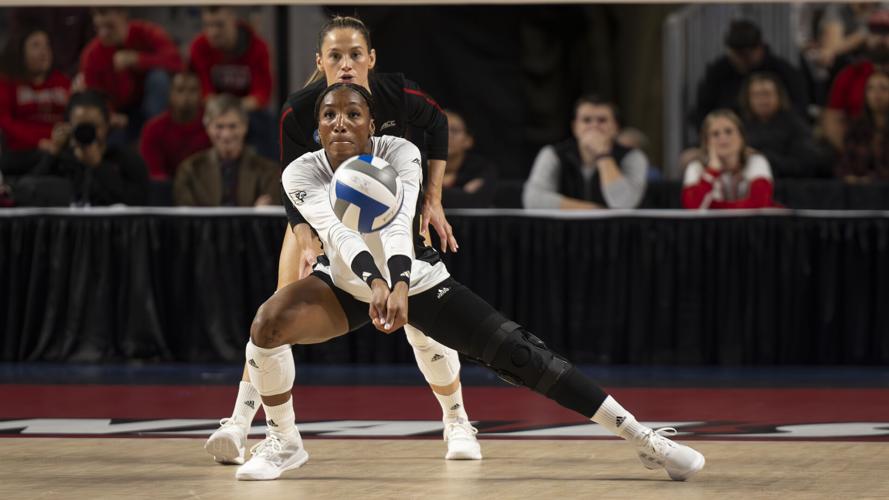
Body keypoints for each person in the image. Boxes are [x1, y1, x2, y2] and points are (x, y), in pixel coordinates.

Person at [232, 82, 706, 481]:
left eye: (353, 113)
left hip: (416, 279)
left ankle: (642, 437)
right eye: (329, 115)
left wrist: (395, 285)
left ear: (372, 125)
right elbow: (335, 232)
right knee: (268, 322)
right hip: (347, 283)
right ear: (317, 128)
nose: (340, 123)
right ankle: (283, 440)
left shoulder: (401, 152)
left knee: (524, 355)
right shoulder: (302, 170)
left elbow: (399, 230)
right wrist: (375, 285)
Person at [204, 16, 477, 466]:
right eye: (335, 56)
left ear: (371, 59)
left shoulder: (398, 94)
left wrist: (432, 198)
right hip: (320, 217)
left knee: (422, 324)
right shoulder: (299, 109)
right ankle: (239, 422)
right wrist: (307, 240)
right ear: (320, 62)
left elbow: (437, 123)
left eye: (354, 55)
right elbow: (292, 189)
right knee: (275, 316)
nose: (346, 65)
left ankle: (457, 420)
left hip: (390, 217)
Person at [16, 90, 148, 206]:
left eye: (94, 126)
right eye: (81, 126)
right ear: (69, 126)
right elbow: (26, 193)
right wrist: (53, 153)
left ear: (107, 125)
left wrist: (99, 167)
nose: (88, 132)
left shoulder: (125, 160)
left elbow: (138, 202)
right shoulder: (61, 158)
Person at [523, 96, 648, 209]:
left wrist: (603, 155)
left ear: (615, 127)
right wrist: (592, 210)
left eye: (602, 120)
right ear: (575, 127)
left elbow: (624, 203)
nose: (594, 126)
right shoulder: (553, 154)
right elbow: (533, 200)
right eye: (586, 120)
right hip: (565, 231)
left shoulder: (633, 157)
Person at [80, 7, 183, 140]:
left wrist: (138, 59)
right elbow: (94, 94)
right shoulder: (92, 54)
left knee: (158, 78)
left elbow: (177, 62)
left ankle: (159, 134)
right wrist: (110, 114)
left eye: (110, 26)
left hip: (152, 106)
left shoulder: (145, 31)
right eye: (98, 28)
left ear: (124, 17)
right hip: (120, 113)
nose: (104, 34)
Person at [188, 6, 275, 159]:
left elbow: (261, 95)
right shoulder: (199, 47)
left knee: (267, 125)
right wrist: (222, 112)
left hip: (247, 111)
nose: (213, 32)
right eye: (208, 25)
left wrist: (232, 112)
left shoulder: (257, 46)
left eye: (219, 25)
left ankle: (269, 174)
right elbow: (205, 92)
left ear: (233, 21)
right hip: (211, 110)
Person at [692, 19, 809, 128]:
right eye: (737, 55)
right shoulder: (719, 72)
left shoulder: (783, 71)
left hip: (778, 134)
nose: (742, 61)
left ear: (760, 48)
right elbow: (702, 111)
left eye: (747, 55)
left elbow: (800, 109)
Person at [173, 94, 279, 207]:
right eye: (219, 126)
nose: (226, 135)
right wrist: (253, 212)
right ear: (207, 128)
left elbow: (270, 216)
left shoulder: (268, 171)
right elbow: (186, 219)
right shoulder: (190, 170)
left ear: (245, 126)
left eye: (232, 126)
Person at [0, 27, 71, 178]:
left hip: (62, 148)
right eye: (36, 45)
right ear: (20, 52)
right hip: (22, 152)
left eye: (47, 45)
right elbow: (5, 122)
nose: (44, 52)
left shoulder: (63, 82)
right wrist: (39, 142)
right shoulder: (7, 82)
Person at [823, 9, 889, 152]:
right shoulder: (850, 74)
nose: (881, 38)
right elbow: (833, 120)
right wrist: (853, 156)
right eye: (875, 32)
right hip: (857, 152)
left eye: (886, 33)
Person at [682, 109, 775, 209]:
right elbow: (692, 208)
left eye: (728, 131)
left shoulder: (756, 162)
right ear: (706, 142)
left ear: (741, 138)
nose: (723, 138)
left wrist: (713, 207)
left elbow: (759, 205)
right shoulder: (695, 167)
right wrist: (712, 171)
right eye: (715, 134)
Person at [740, 72, 827, 178]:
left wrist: (762, 158)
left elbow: (805, 165)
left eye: (767, 94)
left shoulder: (795, 126)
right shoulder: (741, 126)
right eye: (756, 95)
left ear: (779, 96)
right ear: (748, 99)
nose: (762, 100)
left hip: (788, 186)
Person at [140, 71, 210, 181]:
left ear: (201, 94)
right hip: (166, 190)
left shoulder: (212, 126)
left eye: (192, 90)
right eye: (180, 90)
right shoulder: (153, 129)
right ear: (170, 94)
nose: (186, 96)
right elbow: (153, 173)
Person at [837, 70, 889, 181]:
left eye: (883, 88)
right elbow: (845, 163)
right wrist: (849, 176)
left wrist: (873, 178)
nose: (877, 94)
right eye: (871, 88)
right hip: (860, 192)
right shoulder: (856, 129)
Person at [441, 109, 497, 208]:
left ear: (468, 140)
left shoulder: (481, 168)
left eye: (454, 130)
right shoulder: (417, 164)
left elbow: (476, 201)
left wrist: (431, 190)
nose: (446, 135)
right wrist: (462, 192)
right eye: (439, 129)